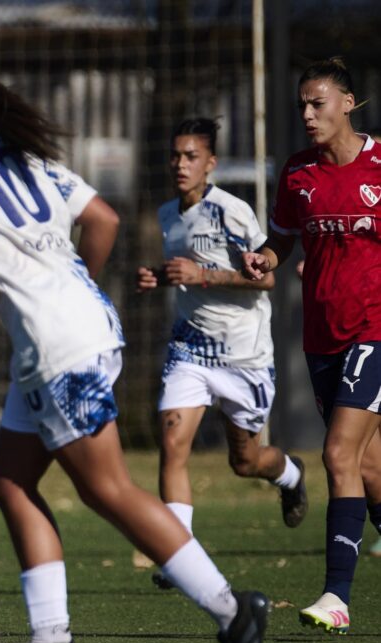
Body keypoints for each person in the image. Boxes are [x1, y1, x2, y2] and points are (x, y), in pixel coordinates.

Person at [0, 63, 269, 643]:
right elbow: (104, 221)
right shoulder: (18, 153)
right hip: (80, 328)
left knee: (108, 490)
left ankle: (234, 612)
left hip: (59, 345)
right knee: (9, 480)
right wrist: (76, 291)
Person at [134, 117, 308, 587]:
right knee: (172, 442)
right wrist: (157, 275)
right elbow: (183, 270)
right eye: (175, 155)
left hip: (243, 355)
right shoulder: (167, 213)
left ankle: (291, 475)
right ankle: (179, 555)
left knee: (245, 462)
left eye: (190, 156)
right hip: (189, 350)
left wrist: (203, 276)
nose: (180, 164)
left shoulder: (232, 212)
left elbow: (266, 277)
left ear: (210, 164)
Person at [242, 58, 381, 634]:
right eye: (302, 104)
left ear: (348, 103)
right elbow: (284, 238)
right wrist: (266, 258)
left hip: (375, 332)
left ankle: (336, 597)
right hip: (322, 336)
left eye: (317, 102)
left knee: (338, 455)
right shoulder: (297, 173)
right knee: (371, 468)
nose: (307, 114)